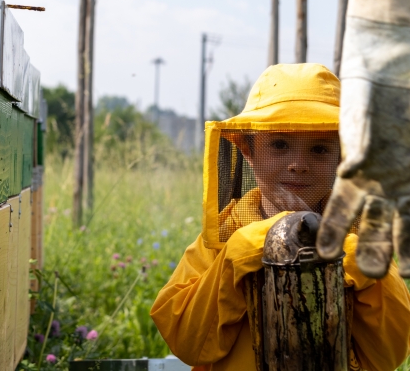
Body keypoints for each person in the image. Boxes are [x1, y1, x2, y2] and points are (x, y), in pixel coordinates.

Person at [150, 63, 410, 371]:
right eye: (280, 145)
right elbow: (188, 342)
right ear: (248, 148)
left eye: (319, 149)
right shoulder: (224, 236)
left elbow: (391, 353)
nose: (298, 164)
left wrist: (352, 258)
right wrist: (240, 253)